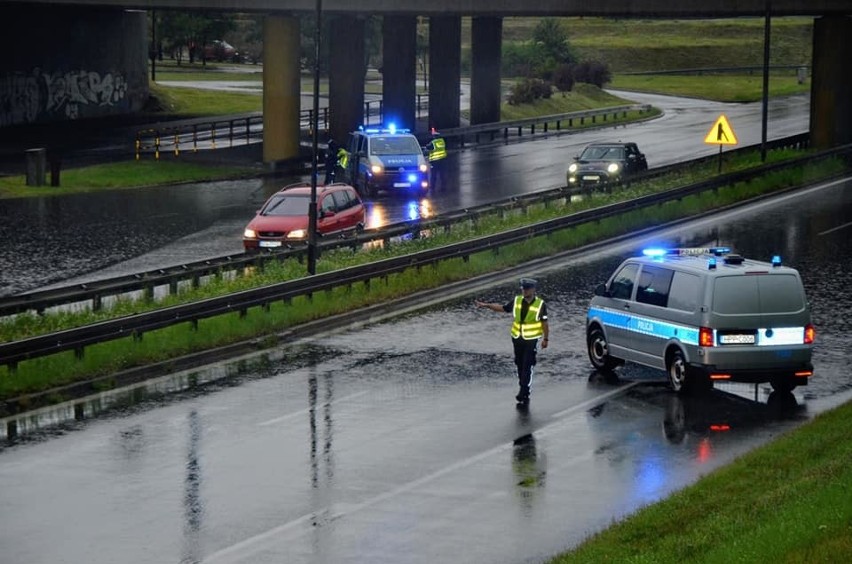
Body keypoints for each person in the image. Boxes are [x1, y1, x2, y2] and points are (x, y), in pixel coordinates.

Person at [475, 278, 549, 405]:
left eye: (526, 289)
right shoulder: (517, 301)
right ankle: (523, 386)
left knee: (527, 365)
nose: (524, 291)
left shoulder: (540, 304)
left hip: (531, 340)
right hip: (517, 338)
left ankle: (524, 390)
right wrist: (487, 306)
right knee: (519, 364)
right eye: (523, 289)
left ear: (533, 290)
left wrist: (545, 339)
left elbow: (544, 323)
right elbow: (503, 308)